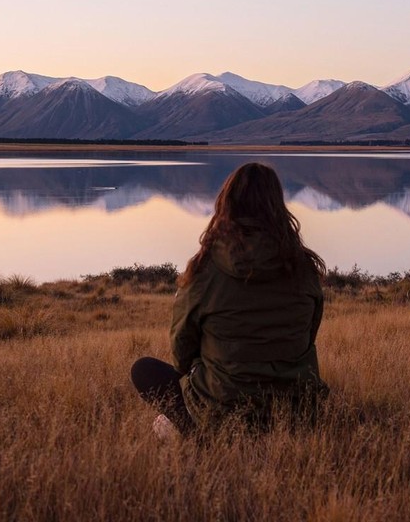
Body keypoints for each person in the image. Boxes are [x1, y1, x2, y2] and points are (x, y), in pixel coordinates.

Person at [130, 162, 327, 437]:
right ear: (278, 205)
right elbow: (309, 337)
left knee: (144, 370)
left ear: (226, 203)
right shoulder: (304, 268)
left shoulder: (205, 269)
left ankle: (197, 433)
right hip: (294, 408)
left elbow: (181, 353)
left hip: (222, 409)